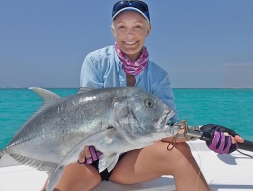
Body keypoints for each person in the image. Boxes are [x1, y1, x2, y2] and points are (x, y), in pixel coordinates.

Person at [42, 1, 244, 191]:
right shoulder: (96, 62)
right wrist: (82, 144)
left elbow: (168, 129)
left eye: (137, 26)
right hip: (88, 159)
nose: (129, 34)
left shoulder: (158, 77)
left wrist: (205, 132)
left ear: (148, 30)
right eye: (122, 27)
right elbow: (82, 112)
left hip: (132, 158)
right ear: (113, 31)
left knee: (180, 153)